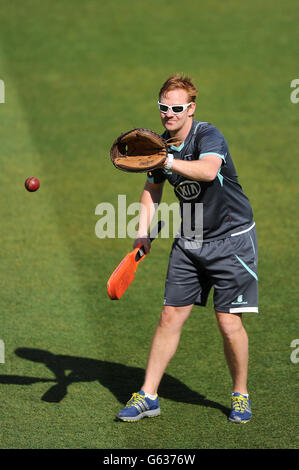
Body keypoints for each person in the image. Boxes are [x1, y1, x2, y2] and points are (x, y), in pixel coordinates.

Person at [116, 74, 258, 424]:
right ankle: (148, 394)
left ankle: (240, 394)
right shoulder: (159, 145)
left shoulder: (208, 136)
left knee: (228, 323)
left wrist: (166, 162)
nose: (169, 114)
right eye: (163, 108)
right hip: (190, 239)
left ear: (191, 108)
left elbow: (208, 172)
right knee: (169, 316)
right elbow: (152, 190)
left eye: (177, 108)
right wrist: (142, 233)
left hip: (232, 240)